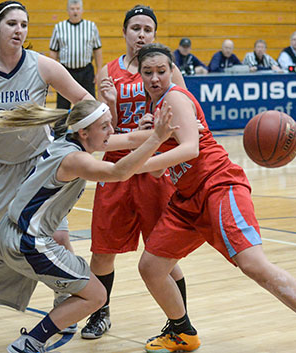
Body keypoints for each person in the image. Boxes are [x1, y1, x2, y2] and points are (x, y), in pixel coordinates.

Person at [0, 98, 177, 353]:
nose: (111, 131)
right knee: (97, 296)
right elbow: (118, 172)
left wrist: (172, 133)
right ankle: (32, 342)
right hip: (31, 241)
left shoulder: (67, 141)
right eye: (105, 126)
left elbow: (129, 139)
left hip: (8, 232)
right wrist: (157, 138)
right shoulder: (76, 159)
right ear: (84, 132)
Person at [131, 43, 296, 353]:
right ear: (140, 74)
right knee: (151, 267)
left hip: (218, 185)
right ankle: (182, 331)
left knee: (252, 264)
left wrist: (135, 164)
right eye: (148, 72)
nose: (155, 78)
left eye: (161, 71)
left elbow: (191, 149)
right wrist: (153, 142)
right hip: (188, 199)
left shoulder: (174, 98)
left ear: (171, 71)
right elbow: (157, 174)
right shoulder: (155, 112)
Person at [0, 1, 93, 327]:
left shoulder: (42, 66)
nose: (19, 30)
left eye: (24, 25)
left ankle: (66, 299)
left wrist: (74, 138)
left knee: (58, 239)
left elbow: (84, 99)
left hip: (37, 168)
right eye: (12, 24)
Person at [81, 4, 189, 340]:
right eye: (135, 29)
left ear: (154, 35)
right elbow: (101, 131)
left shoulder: (166, 70)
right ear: (125, 32)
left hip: (154, 169)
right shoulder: (107, 72)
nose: (141, 35)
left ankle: (179, 322)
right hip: (115, 168)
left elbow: (184, 118)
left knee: (165, 253)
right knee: (103, 250)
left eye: (147, 30)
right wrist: (110, 106)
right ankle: (100, 313)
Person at [49, 0, 102, 112]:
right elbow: (53, 52)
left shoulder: (91, 27)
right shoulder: (59, 27)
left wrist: (99, 71)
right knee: (62, 105)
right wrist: (52, 74)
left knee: (89, 104)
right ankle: (60, 129)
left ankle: (90, 129)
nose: (75, 12)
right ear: (68, 11)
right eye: (72, 9)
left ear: (82, 10)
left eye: (78, 9)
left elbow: (97, 50)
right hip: (65, 71)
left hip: (86, 71)